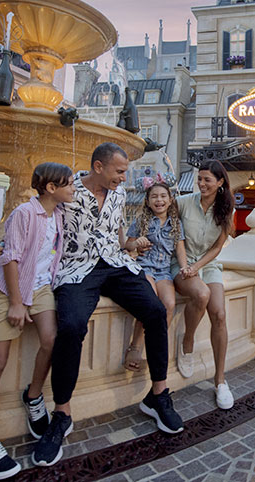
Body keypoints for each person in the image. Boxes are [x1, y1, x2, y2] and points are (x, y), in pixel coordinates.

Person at [32, 143, 184, 468]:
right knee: (71, 326)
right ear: (98, 167)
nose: (124, 177)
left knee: (156, 312)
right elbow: (39, 214)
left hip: (115, 264)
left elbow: (116, 234)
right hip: (76, 268)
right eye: (119, 171)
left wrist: (131, 245)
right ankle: (62, 414)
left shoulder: (117, 194)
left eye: (125, 171)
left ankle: (158, 395)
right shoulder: (67, 188)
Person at [0, 162, 73, 480]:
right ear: (51, 188)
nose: (73, 188)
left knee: (52, 340)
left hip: (41, 287)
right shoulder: (24, 213)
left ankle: (33, 395)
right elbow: (10, 258)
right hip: (10, 290)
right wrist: (16, 303)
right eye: (68, 184)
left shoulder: (58, 214)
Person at [172, 160, 235, 409]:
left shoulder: (226, 208)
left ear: (220, 183)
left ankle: (220, 381)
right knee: (201, 294)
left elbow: (218, 246)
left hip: (207, 264)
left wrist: (197, 267)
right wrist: (187, 265)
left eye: (207, 179)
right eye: (199, 178)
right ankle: (187, 342)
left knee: (219, 314)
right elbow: (175, 236)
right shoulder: (184, 202)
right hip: (180, 261)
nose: (201, 184)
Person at [122, 179, 189, 372]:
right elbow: (128, 245)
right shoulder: (141, 220)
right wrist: (136, 244)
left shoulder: (176, 224)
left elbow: (180, 249)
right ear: (148, 201)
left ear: (170, 200)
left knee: (169, 304)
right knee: (149, 302)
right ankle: (135, 347)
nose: (158, 200)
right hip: (145, 268)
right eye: (154, 196)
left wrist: (184, 268)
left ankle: (155, 343)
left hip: (164, 271)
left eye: (162, 196)